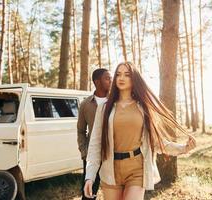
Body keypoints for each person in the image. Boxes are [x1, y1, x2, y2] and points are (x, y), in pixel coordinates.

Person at [84, 62, 196, 200]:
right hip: (110, 169)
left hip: (137, 169)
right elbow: (95, 144)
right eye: (118, 74)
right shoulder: (104, 108)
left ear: (134, 79)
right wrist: (89, 176)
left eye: (127, 75)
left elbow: (156, 141)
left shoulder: (143, 108)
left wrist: (183, 148)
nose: (121, 78)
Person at [77, 68, 112, 200]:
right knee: (88, 194)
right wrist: (84, 152)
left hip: (114, 154)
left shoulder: (115, 102)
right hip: (93, 154)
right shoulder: (85, 104)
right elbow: (81, 130)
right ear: (97, 81)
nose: (111, 81)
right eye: (107, 78)